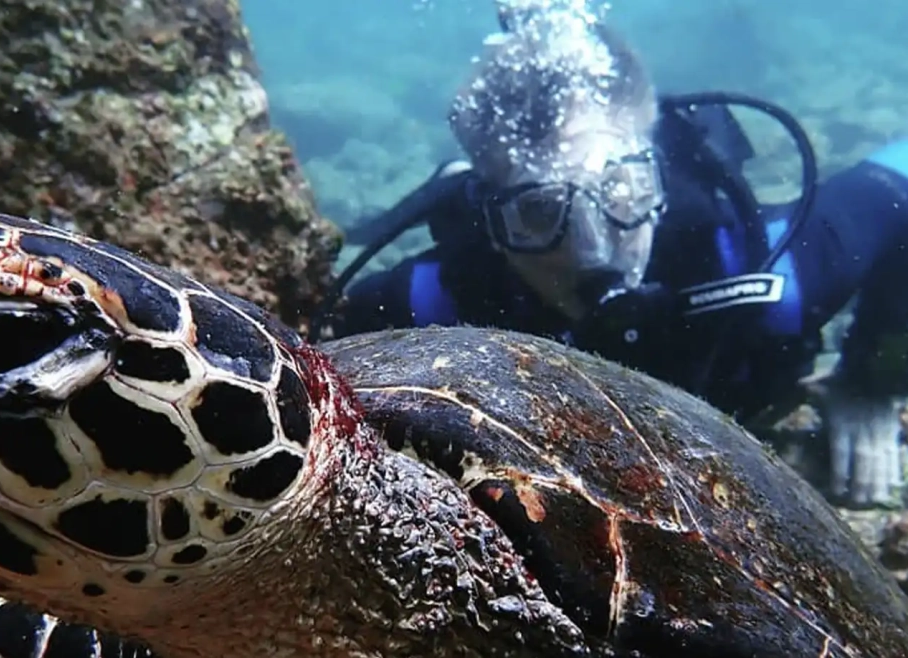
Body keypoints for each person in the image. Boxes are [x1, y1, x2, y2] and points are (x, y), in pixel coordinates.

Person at [314, 6, 908, 509]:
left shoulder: (756, 268)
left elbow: (898, 186)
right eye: (541, 212)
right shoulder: (429, 309)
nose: (593, 249)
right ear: (491, 224)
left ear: (660, 184)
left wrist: (873, 375)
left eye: (622, 191)